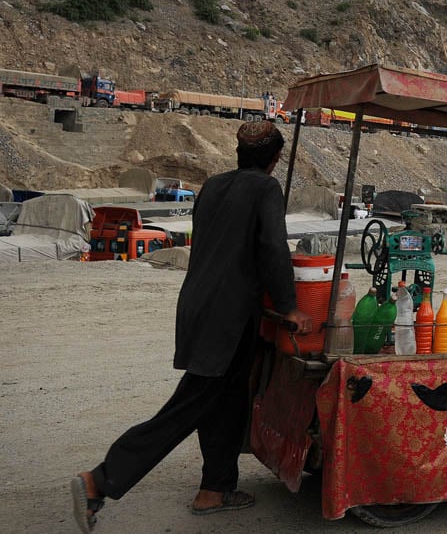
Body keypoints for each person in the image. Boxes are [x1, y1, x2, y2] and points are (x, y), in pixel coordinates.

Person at [71, 121, 312, 532]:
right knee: (190, 405)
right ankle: (101, 480)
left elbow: (223, 247)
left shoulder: (213, 186)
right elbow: (272, 247)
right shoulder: (266, 189)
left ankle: (215, 489)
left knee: (229, 399)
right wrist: (290, 307)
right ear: (274, 160)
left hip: (199, 306)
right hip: (228, 318)